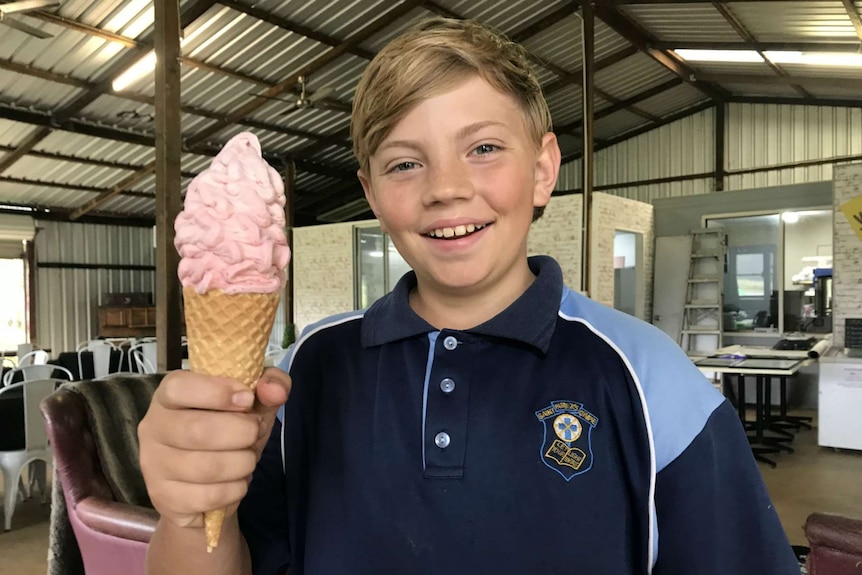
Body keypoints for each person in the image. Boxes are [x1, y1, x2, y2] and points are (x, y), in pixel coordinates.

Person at [139, 17, 801, 575]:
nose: (446, 188)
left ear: (543, 170)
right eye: (404, 162)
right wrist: (187, 508)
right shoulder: (305, 369)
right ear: (370, 192)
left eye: (483, 147)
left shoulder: (650, 377)